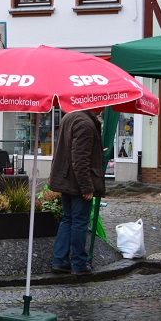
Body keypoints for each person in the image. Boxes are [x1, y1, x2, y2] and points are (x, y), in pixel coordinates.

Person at [49, 108, 105, 275]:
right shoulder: (85, 123)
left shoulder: (70, 117)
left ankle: (60, 261)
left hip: (66, 180)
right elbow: (79, 159)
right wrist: (86, 187)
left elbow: (72, 151)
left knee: (68, 220)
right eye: (102, 103)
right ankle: (79, 263)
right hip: (77, 184)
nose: (104, 107)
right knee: (80, 222)